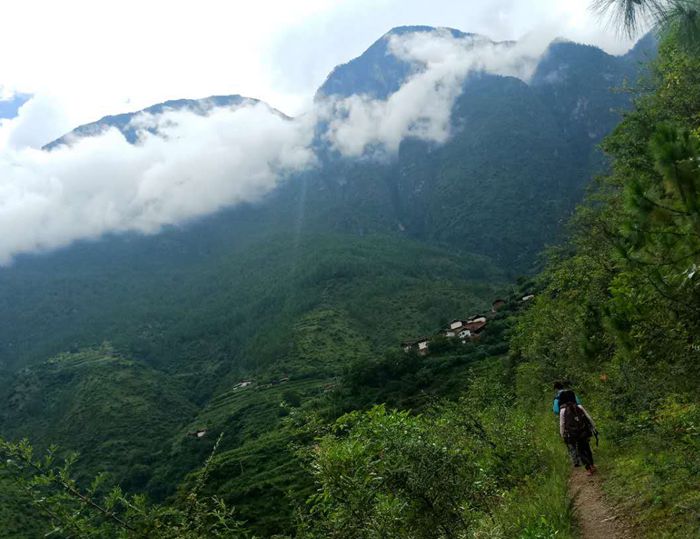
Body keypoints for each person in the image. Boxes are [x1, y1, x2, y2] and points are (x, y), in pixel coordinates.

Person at [560, 401, 598, 475]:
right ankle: (592, 465)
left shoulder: (562, 411)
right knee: (587, 448)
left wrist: (562, 434)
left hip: (574, 435)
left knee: (580, 451)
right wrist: (593, 426)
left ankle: (588, 468)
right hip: (584, 432)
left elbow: (562, 424)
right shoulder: (579, 406)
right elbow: (588, 417)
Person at [553, 382, 582, 466]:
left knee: (568, 439)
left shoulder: (557, 397)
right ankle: (592, 427)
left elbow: (556, 411)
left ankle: (575, 460)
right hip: (576, 416)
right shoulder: (571, 393)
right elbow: (578, 403)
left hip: (565, 417)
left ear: (556, 389)